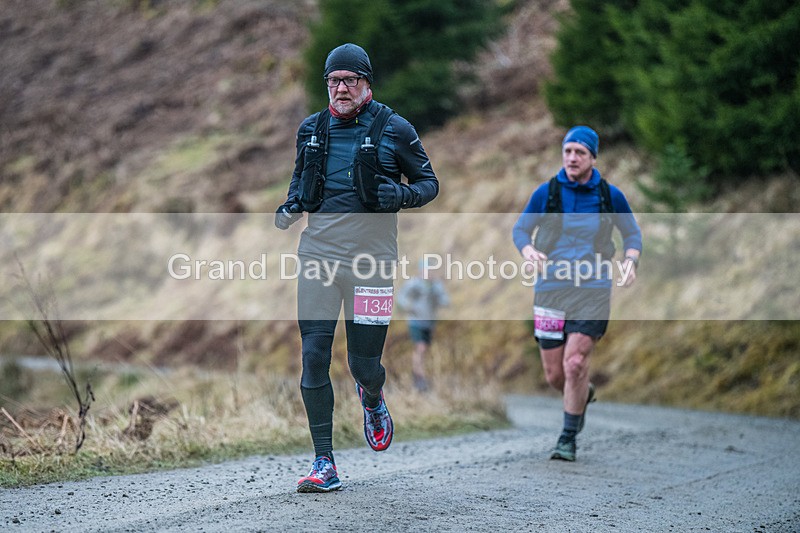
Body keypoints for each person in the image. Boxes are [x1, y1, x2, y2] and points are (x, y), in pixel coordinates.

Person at [274, 43, 439, 492]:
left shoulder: (394, 128)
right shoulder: (310, 130)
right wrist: (289, 208)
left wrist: (400, 196)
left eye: (349, 80)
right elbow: (299, 185)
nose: (341, 88)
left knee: (363, 364)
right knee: (312, 356)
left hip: (372, 263)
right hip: (318, 258)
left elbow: (429, 183)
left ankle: (372, 397)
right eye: (333, 80)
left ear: (367, 84)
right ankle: (323, 463)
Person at [512, 125, 642, 462]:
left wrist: (630, 261)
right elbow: (521, 229)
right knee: (555, 374)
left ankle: (567, 438)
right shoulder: (548, 192)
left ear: (592, 157)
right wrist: (528, 252)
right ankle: (583, 393)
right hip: (551, 291)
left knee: (575, 363)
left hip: (593, 289)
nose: (572, 157)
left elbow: (631, 235)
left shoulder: (610, 196)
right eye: (568, 151)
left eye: (580, 152)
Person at [396, 258, 449, 391]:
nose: (429, 273)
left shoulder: (436, 285)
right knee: (421, 347)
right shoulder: (414, 284)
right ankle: (419, 377)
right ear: (421, 270)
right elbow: (401, 298)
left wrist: (440, 300)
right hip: (416, 320)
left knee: (424, 349)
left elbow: (445, 300)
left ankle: (419, 374)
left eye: (431, 270)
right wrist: (408, 306)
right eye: (426, 270)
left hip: (429, 322)